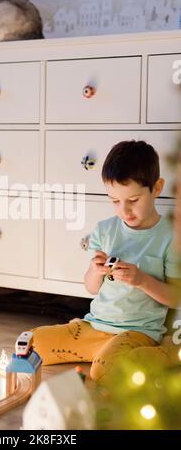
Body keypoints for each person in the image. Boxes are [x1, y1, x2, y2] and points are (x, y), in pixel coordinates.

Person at [32, 140, 181, 382]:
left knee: (105, 371)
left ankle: (169, 354)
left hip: (138, 332)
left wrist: (141, 280)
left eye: (133, 200)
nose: (124, 210)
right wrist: (95, 270)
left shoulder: (170, 235)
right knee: (30, 344)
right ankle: (103, 353)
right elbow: (91, 288)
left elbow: (176, 296)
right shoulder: (104, 230)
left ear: (157, 188)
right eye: (114, 200)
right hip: (96, 327)